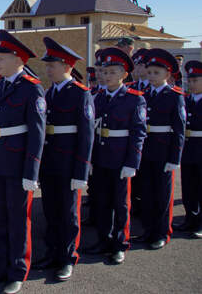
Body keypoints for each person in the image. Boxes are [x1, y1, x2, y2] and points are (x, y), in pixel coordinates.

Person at [0, 30, 46, 294]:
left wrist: (32, 171)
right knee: (1, 218)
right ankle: (0, 267)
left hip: (18, 165)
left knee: (19, 219)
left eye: (2, 58)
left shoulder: (31, 88)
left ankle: (18, 270)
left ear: (19, 59)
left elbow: (37, 133)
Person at [32, 37, 94, 282]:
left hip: (69, 164)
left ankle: (67, 258)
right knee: (51, 210)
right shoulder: (48, 93)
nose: (48, 70)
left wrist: (82, 172)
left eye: (53, 65)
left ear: (67, 66)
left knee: (69, 214)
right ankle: (52, 252)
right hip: (50, 163)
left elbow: (86, 136)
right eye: (47, 65)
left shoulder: (80, 94)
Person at [82, 47, 146, 265]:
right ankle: (103, 240)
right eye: (104, 71)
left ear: (123, 75)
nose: (106, 76)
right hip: (100, 159)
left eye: (112, 72)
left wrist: (132, 162)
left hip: (120, 160)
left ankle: (120, 244)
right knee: (101, 202)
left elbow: (138, 133)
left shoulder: (134, 99)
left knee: (121, 204)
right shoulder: (96, 98)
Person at [133, 49, 186, 249]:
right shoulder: (143, 94)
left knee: (162, 195)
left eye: (156, 73)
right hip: (145, 150)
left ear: (167, 75)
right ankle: (148, 229)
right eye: (150, 72)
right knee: (146, 193)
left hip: (164, 151)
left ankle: (162, 232)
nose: (151, 76)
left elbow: (179, 129)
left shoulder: (174, 96)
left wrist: (175, 157)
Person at [175, 60, 202, 238]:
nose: (191, 84)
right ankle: (189, 218)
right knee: (188, 187)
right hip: (188, 149)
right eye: (189, 81)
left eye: (195, 80)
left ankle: (200, 224)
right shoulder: (185, 100)